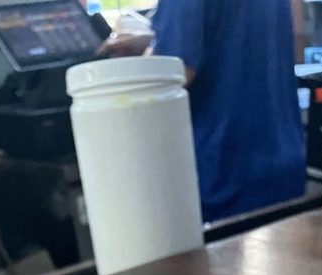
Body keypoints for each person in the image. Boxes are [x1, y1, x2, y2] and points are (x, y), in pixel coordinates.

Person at [100, 1, 306, 223]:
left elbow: (173, 73)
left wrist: (107, 93)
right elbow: (296, 40)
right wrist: (154, 42)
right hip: (283, 165)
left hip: (223, 175)